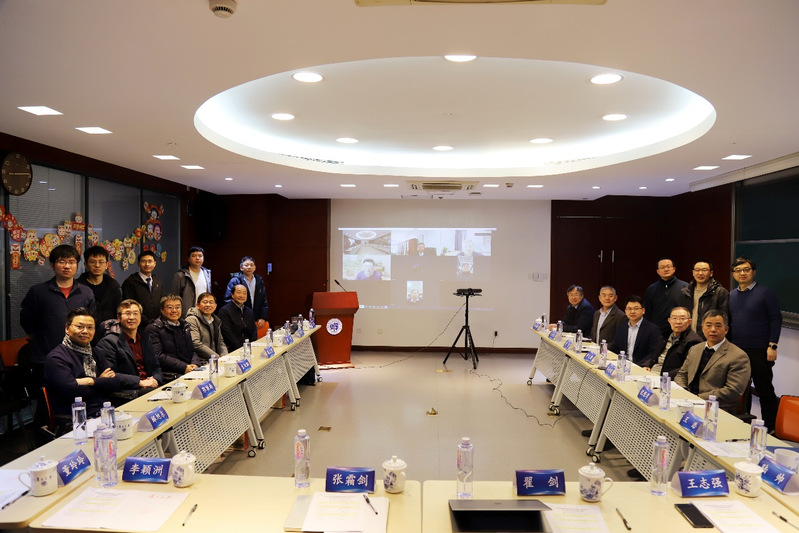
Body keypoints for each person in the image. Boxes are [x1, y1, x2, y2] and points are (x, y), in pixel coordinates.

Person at [20, 244, 95, 383]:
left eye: (71, 262)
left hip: (78, 357)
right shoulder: (38, 292)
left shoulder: (86, 292)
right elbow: (26, 320)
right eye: (62, 261)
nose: (67, 266)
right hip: (45, 357)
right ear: (52, 265)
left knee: (77, 392)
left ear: (77, 265)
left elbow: (90, 322)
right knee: (47, 394)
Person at [728, 257, 782, 430]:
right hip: (737, 350)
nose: (742, 273)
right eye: (738, 270)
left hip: (760, 350)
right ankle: (744, 424)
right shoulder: (732, 295)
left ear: (753, 272)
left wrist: (772, 345)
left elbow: (776, 319)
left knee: (764, 389)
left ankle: (771, 427)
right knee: (741, 389)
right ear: (733, 274)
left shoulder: (765, 293)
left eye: (746, 269)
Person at [43, 308, 119, 418]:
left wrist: (90, 380)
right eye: (79, 327)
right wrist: (101, 381)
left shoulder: (95, 352)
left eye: (90, 327)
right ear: (67, 328)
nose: (85, 331)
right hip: (74, 418)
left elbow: (114, 383)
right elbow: (71, 391)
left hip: (104, 410)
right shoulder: (56, 358)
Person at [675, 309, 751, 415]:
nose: (713, 330)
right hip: (688, 402)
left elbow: (733, 391)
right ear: (702, 328)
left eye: (718, 326)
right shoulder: (695, 349)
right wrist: (683, 392)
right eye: (708, 325)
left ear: (726, 329)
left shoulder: (738, 356)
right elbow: (682, 374)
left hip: (717, 408)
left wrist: (697, 399)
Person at [95, 300, 162, 397]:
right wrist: (139, 382)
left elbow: (156, 366)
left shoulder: (145, 339)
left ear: (140, 317)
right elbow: (109, 375)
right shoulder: (108, 342)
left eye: (135, 313)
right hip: (129, 392)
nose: (132, 317)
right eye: (127, 313)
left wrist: (155, 379)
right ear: (118, 318)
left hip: (150, 387)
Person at [145, 295, 199, 379]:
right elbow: (158, 355)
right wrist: (184, 367)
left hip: (188, 370)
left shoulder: (184, 326)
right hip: (169, 374)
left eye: (178, 307)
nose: (174, 310)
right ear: (162, 310)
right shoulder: (154, 328)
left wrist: (195, 364)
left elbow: (192, 351)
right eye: (170, 307)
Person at [641, 306, 702, 379]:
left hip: (668, 378)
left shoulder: (694, 341)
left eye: (682, 318)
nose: (678, 322)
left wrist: (664, 377)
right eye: (674, 318)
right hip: (652, 372)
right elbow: (654, 356)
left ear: (689, 322)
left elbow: (686, 368)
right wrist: (647, 365)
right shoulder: (665, 335)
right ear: (669, 320)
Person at [677, 260, 730, 338]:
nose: (700, 273)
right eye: (697, 270)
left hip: (709, 337)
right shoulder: (686, 292)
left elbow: (724, 319)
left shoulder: (720, 292)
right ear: (693, 273)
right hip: (688, 337)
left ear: (711, 273)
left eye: (704, 270)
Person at [610, 295, 664, 365]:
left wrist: (638, 365)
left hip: (640, 366)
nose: (632, 312)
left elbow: (653, 353)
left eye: (636, 309)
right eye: (629, 309)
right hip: (622, 364)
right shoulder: (622, 327)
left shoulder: (653, 329)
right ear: (625, 311)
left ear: (643, 311)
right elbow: (615, 348)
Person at [77, 246, 122, 325]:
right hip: (85, 328)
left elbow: (119, 313)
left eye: (101, 262)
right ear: (85, 265)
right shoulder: (77, 288)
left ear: (106, 265)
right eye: (92, 262)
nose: (97, 265)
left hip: (108, 329)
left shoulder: (114, 288)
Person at [644, 258, 689, 336]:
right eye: (662, 267)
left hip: (679, 330)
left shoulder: (685, 287)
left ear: (674, 269)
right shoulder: (651, 289)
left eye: (668, 266)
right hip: (657, 331)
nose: (666, 269)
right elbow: (648, 312)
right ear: (658, 271)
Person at [121, 250, 164, 326]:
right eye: (143, 261)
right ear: (138, 263)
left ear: (154, 263)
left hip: (158, 324)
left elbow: (162, 303)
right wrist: (147, 321)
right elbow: (129, 305)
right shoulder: (130, 282)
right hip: (138, 325)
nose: (147, 264)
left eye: (150, 261)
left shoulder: (158, 282)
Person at [224, 256, 268, 330]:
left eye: (251, 265)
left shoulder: (259, 280)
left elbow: (263, 300)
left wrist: (262, 317)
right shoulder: (235, 280)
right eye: (246, 265)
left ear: (255, 268)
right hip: (239, 318)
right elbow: (228, 300)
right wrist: (235, 317)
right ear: (241, 267)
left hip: (255, 318)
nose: (249, 267)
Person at [185, 292, 228, 363]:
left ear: (215, 306)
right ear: (197, 305)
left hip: (214, 360)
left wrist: (225, 357)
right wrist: (217, 357)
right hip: (200, 361)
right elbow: (196, 344)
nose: (208, 305)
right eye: (205, 302)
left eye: (211, 302)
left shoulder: (216, 320)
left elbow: (220, 343)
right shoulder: (192, 319)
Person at [170, 245, 212, 319]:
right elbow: (174, 297)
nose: (197, 258)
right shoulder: (180, 275)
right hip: (187, 314)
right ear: (189, 259)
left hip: (204, 312)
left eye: (200, 256)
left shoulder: (207, 273)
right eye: (194, 256)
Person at [219, 285, 258, 351]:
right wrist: (241, 348)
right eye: (239, 292)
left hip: (249, 347)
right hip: (232, 348)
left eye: (244, 293)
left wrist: (253, 345)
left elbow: (253, 330)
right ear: (232, 295)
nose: (242, 296)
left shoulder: (249, 311)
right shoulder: (224, 311)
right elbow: (227, 333)